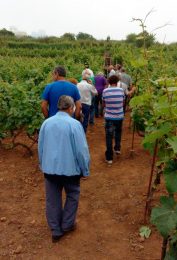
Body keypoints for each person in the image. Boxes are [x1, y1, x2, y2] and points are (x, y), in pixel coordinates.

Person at [38, 95, 90, 243]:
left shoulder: (46, 123)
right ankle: (67, 224)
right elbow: (81, 151)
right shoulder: (74, 125)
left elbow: (40, 147)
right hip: (70, 170)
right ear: (71, 108)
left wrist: (43, 164)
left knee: (52, 199)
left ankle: (55, 230)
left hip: (50, 170)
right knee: (73, 195)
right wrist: (85, 169)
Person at [102, 75, 124, 165]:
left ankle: (109, 158)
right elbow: (123, 102)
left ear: (109, 82)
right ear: (117, 81)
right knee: (118, 132)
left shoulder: (105, 91)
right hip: (119, 116)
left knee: (109, 136)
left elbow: (103, 104)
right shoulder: (121, 90)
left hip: (109, 117)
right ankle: (117, 148)